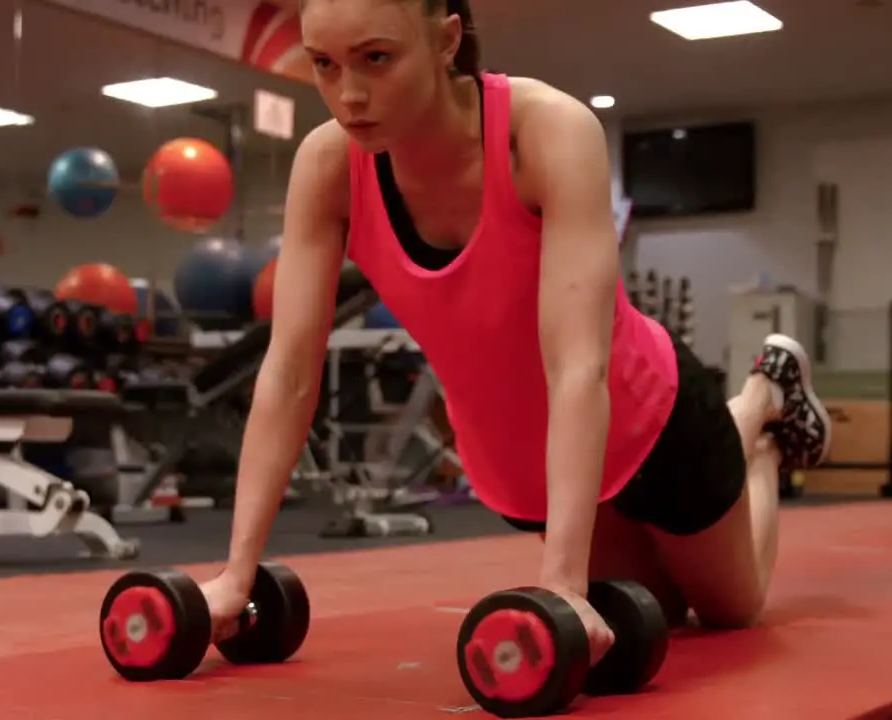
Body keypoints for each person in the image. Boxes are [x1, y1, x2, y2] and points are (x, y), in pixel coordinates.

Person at [200, 0, 833, 667]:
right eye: (324, 65)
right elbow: (291, 372)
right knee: (656, 615)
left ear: (446, 41)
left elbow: (576, 365)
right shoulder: (328, 167)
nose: (349, 95)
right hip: (525, 464)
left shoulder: (547, 131)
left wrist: (562, 583)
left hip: (651, 420)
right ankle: (751, 419)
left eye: (376, 59)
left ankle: (760, 409)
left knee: (731, 611)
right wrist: (236, 577)